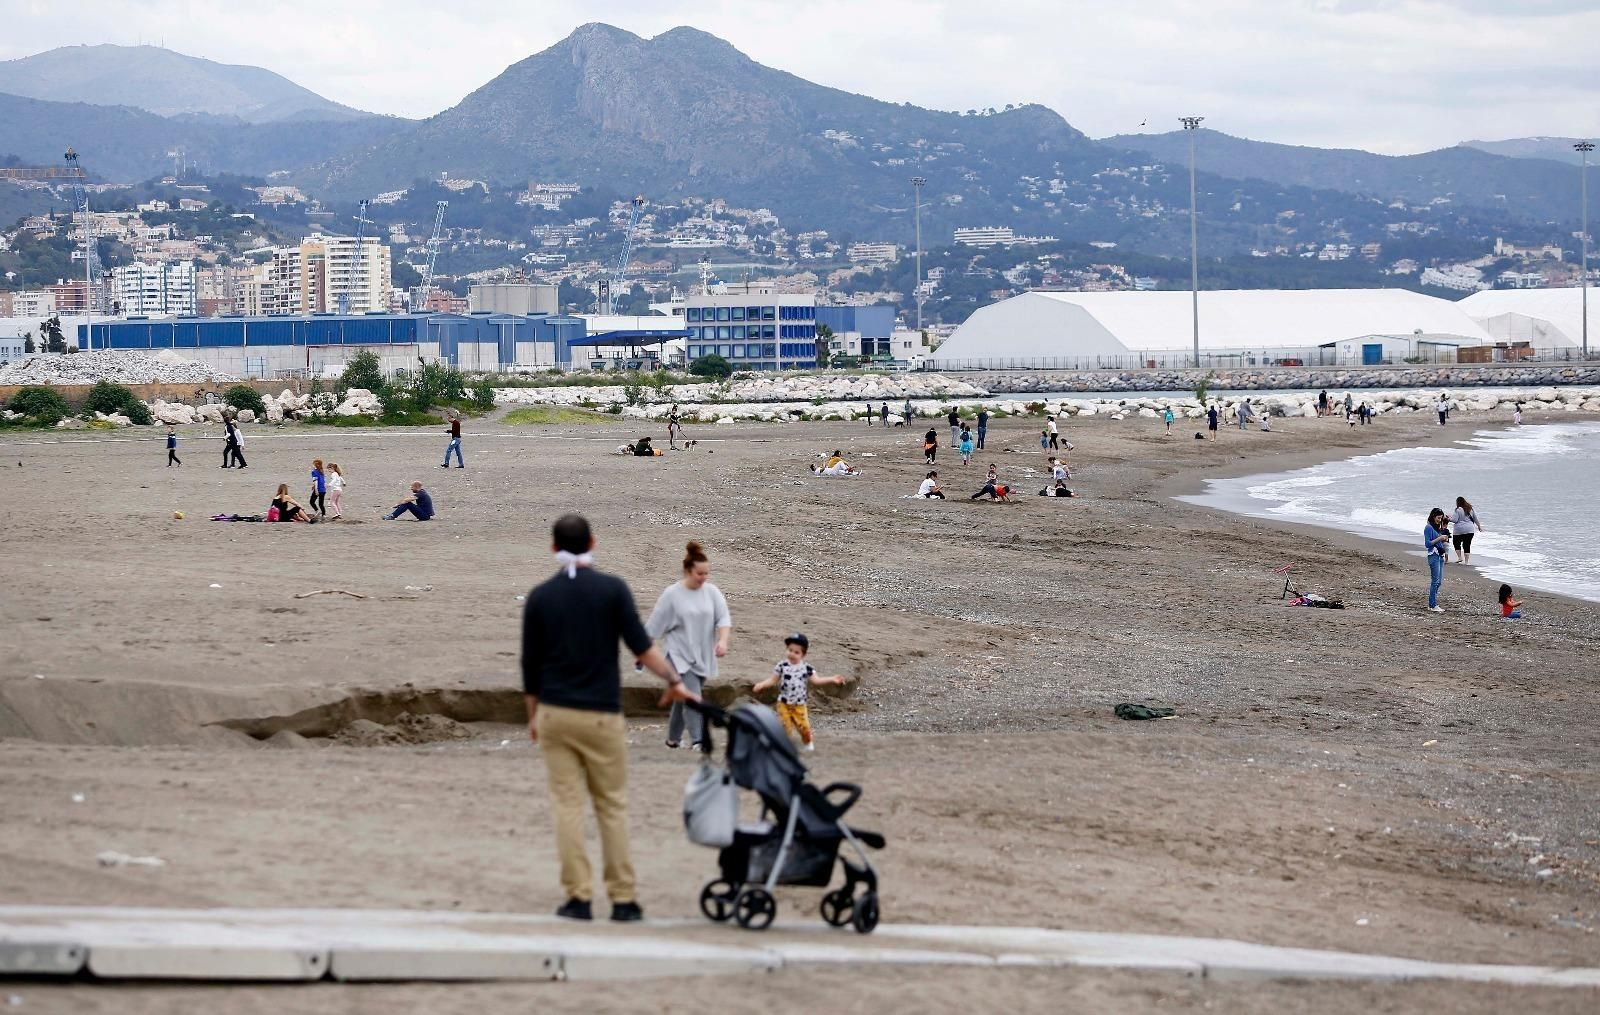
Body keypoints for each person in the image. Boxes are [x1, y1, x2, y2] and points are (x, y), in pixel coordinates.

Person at [522, 513, 695, 922]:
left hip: (555, 711)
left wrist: (533, 717)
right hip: (601, 713)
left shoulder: (541, 597)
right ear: (594, 542)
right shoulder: (612, 590)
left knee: (567, 806)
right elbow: (641, 647)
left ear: (553, 548)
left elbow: (530, 667)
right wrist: (673, 679)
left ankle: (578, 898)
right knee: (612, 807)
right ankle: (622, 899)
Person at [646, 541, 732, 753]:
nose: (703, 578)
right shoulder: (672, 594)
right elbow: (655, 623)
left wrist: (722, 641)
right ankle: (698, 740)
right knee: (692, 696)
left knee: (682, 696)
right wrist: (643, 651)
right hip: (678, 655)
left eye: (706, 574)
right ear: (688, 571)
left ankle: (673, 740)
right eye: (699, 574)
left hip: (703, 654)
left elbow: (724, 618)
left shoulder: (712, 592)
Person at [750, 632, 844, 752]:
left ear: (803, 654)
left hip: (799, 704)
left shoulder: (807, 668)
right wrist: (761, 684)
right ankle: (783, 744)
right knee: (784, 726)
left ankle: (808, 742)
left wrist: (832, 679)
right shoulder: (782, 666)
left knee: (803, 727)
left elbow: (817, 681)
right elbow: (773, 680)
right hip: (783, 703)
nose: (792, 654)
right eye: (790, 650)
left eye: (796, 652)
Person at [1423, 507, 1451, 612]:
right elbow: (1427, 544)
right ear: (1433, 516)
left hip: (1439, 556)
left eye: (1441, 518)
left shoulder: (1436, 527)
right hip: (1433, 555)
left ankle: (1433, 603)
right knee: (1435, 581)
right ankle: (1432, 605)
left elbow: (1438, 541)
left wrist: (1444, 538)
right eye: (1438, 518)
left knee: (1439, 582)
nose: (1440, 520)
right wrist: (1440, 538)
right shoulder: (1428, 527)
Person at [1451, 496, 1481, 564]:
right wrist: (1479, 526)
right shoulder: (1470, 509)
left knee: (1456, 543)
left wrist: (1449, 518)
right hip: (1470, 530)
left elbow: (1455, 520)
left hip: (1459, 530)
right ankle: (1466, 562)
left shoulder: (1458, 509)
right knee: (1467, 544)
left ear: (1457, 502)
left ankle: (1459, 558)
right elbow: (1475, 518)